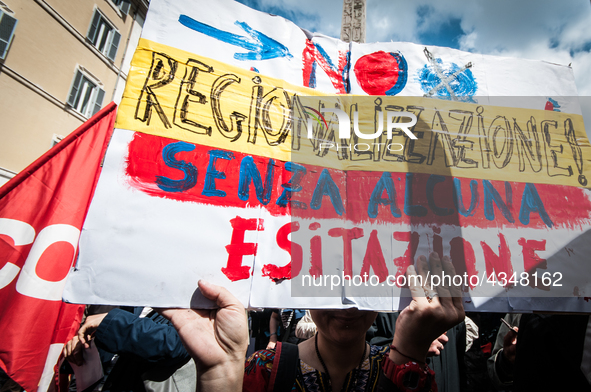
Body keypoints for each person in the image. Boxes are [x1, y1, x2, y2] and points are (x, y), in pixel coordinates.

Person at [163, 253, 465, 392]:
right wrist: (219, 374)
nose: (347, 306)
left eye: (365, 286)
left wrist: (408, 360)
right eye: (331, 285)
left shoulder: (409, 376)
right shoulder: (264, 370)